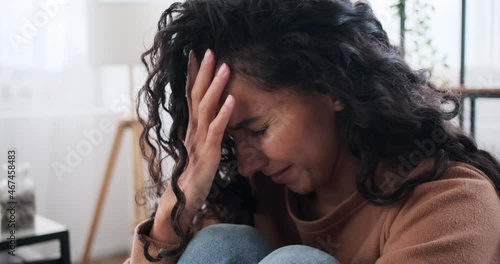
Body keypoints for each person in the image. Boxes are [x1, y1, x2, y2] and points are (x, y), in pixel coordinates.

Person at [124, 0, 500, 263]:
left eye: (257, 129)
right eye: (229, 140)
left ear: (333, 88)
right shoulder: (255, 193)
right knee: (221, 244)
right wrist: (182, 195)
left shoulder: (451, 200)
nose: (246, 163)